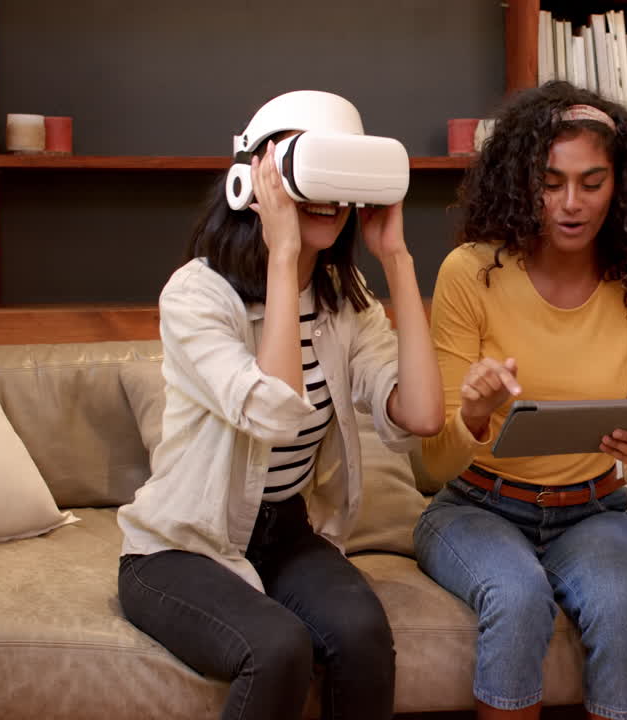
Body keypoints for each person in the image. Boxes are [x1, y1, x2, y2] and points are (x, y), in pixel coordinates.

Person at [115, 91, 443, 720]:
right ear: (254, 180)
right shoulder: (196, 295)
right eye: (305, 167)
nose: (328, 195)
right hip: (180, 545)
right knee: (277, 647)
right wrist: (284, 251)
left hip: (287, 533)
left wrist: (397, 259)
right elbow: (274, 411)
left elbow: (422, 416)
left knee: (364, 636)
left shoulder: (346, 299)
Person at [414, 81, 627, 720]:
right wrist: (475, 415)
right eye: (550, 181)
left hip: (594, 510)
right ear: (520, 181)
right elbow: (433, 464)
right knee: (518, 595)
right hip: (476, 506)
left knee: (620, 606)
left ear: (620, 187)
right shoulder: (469, 272)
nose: (570, 204)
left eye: (591, 183)